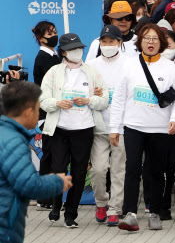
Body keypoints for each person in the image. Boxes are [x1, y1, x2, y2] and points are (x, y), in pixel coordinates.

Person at [111, 24, 175, 232]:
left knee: (156, 172)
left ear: (161, 42)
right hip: (134, 126)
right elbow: (118, 99)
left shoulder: (169, 67)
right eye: (146, 38)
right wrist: (114, 128)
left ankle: (155, 212)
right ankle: (130, 214)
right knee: (132, 168)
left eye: (155, 39)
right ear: (140, 42)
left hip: (160, 129)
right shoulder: (129, 65)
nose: (151, 42)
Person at [40, 33, 109, 228]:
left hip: (83, 130)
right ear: (63, 52)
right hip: (60, 129)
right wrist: (57, 103)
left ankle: (71, 214)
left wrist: (88, 100)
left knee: (79, 173)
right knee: (59, 169)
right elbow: (43, 100)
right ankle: (55, 203)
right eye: (71, 50)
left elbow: (104, 99)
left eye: (79, 49)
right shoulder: (53, 72)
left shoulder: (92, 72)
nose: (77, 52)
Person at [0, 81, 72, 242]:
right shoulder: (13, 141)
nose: (39, 114)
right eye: (38, 109)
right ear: (27, 112)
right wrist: (57, 182)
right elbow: (28, 185)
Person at [86, 25, 128, 227]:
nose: (108, 45)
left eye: (112, 41)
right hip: (98, 126)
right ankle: (101, 202)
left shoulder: (130, 64)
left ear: (120, 42)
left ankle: (115, 208)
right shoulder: (92, 65)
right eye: (104, 41)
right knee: (99, 169)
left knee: (119, 170)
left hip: (121, 126)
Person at [31, 21, 61, 210]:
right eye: (50, 33)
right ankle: (44, 198)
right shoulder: (43, 58)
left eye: (55, 32)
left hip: (55, 111)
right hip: (47, 112)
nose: (54, 35)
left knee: (51, 154)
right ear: (41, 38)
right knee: (48, 155)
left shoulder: (55, 55)